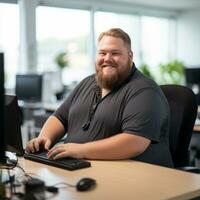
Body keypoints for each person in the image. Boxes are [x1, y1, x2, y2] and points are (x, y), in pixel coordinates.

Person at [26, 28, 173, 167]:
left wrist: (81, 150)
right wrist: (45, 138)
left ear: (130, 56)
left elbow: (135, 142)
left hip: (132, 175)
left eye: (115, 53)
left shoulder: (144, 90)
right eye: (102, 53)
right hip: (79, 166)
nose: (107, 58)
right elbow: (60, 117)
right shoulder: (88, 82)